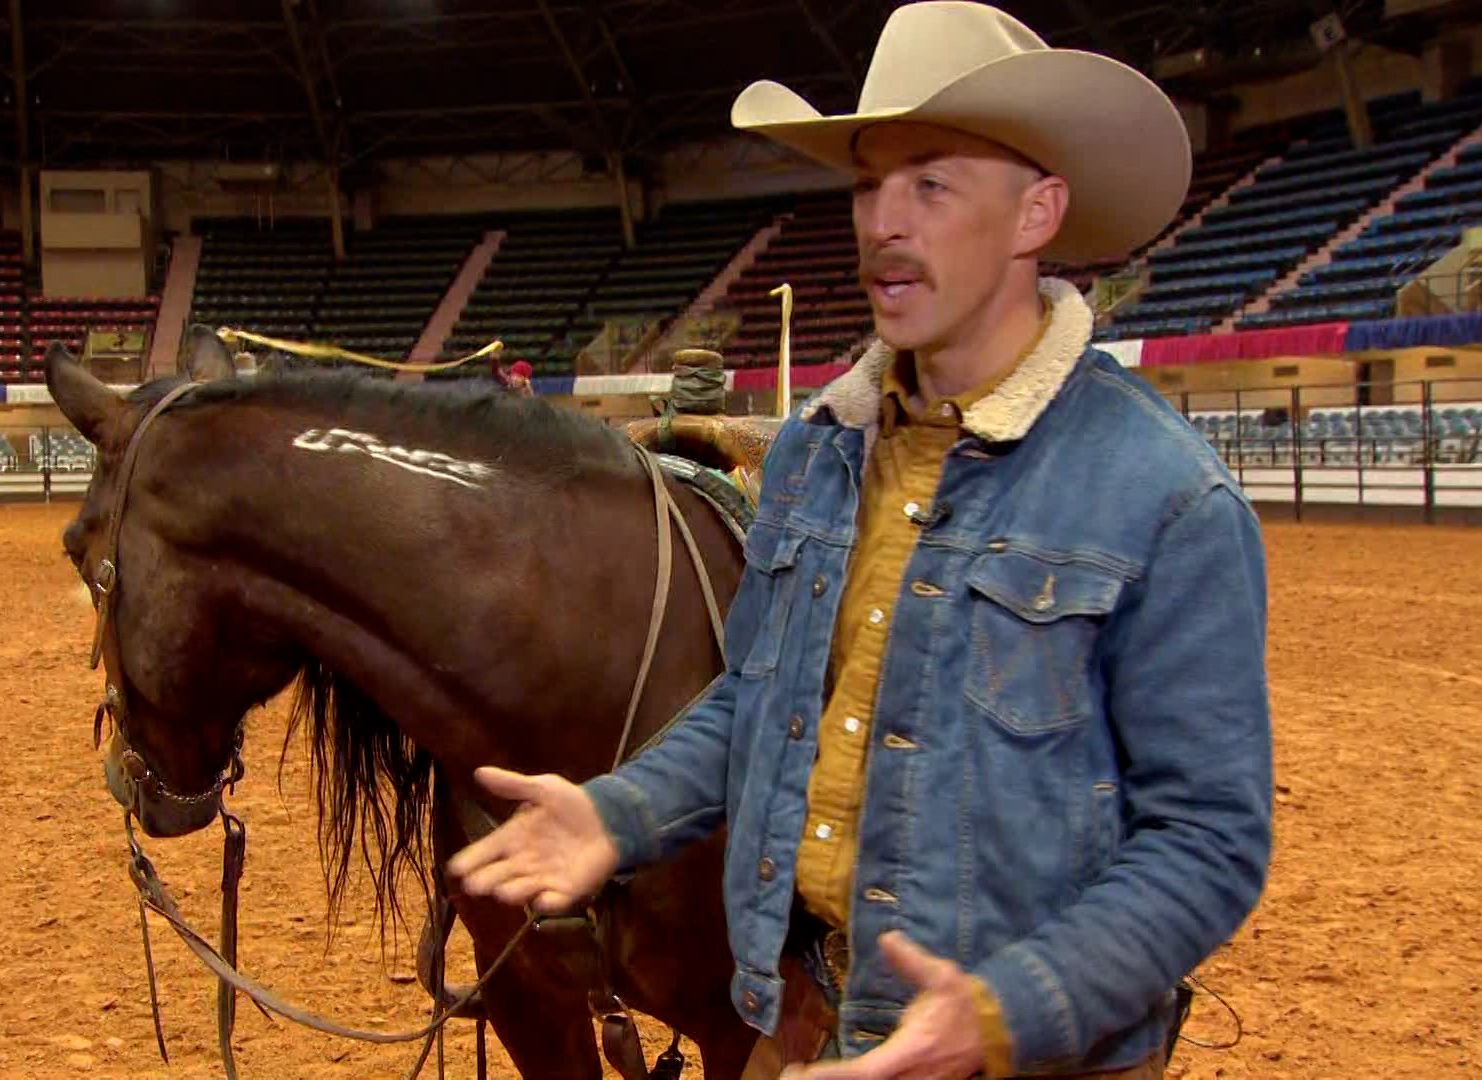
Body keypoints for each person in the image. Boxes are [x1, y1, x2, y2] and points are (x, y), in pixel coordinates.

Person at [448, 4, 1273, 1078]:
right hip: (803, 1017)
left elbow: (1208, 841)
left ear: (1037, 214)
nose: (881, 222)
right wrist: (619, 814)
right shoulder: (817, 450)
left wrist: (1003, 1010)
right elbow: (761, 696)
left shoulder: (1166, 498)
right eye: (866, 184)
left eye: (930, 183)